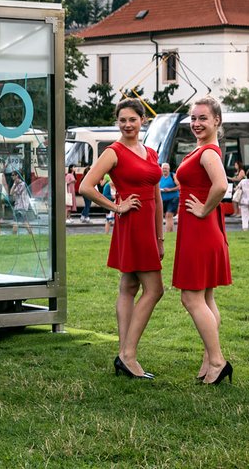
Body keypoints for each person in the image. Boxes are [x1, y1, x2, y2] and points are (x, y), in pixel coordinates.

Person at [79, 98, 164, 380]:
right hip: (132, 224)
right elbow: (86, 187)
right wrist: (116, 207)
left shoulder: (150, 152)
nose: (127, 125)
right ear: (118, 122)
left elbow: (156, 194)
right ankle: (128, 355)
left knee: (128, 286)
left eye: (132, 119)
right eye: (122, 120)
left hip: (148, 228)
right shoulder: (113, 152)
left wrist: (160, 236)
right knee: (154, 290)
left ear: (142, 121)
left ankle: (124, 354)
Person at [174, 96, 233, 385]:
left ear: (216, 121)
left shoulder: (209, 152)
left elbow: (222, 185)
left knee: (191, 297)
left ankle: (218, 361)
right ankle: (208, 362)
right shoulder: (203, 148)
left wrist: (204, 208)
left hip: (200, 229)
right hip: (202, 229)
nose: (196, 123)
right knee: (207, 298)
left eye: (203, 118)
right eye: (193, 118)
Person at [9, 172, 33, 236]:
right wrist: (14, 184)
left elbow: (17, 192)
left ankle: (13, 237)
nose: (12, 176)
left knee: (16, 222)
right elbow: (11, 193)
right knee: (24, 222)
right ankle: (31, 235)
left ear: (17, 176)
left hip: (21, 206)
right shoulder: (16, 184)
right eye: (12, 175)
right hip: (18, 206)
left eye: (13, 175)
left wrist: (14, 186)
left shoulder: (22, 184)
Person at [160, 162, 180, 233]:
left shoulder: (173, 176)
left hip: (173, 198)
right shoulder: (159, 176)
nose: (164, 170)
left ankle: (167, 233)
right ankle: (170, 232)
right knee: (166, 216)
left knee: (169, 215)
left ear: (169, 169)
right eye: (163, 168)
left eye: (166, 168)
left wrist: (170, 190)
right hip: (163, 199)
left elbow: (179, 186)